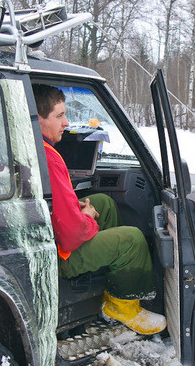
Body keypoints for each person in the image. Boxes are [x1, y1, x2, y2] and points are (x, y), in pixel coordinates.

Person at [32, 84, 166, 336]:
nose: (66, 122)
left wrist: (76, 208)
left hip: (47, 236)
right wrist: (86, 218)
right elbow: (71, 234)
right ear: (38, 118)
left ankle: (114, 283)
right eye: (59, 115)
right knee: (132, 240)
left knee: (102, 202)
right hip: (58, 253)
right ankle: (122, 306)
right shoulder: (48, 157)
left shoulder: (37, 148)